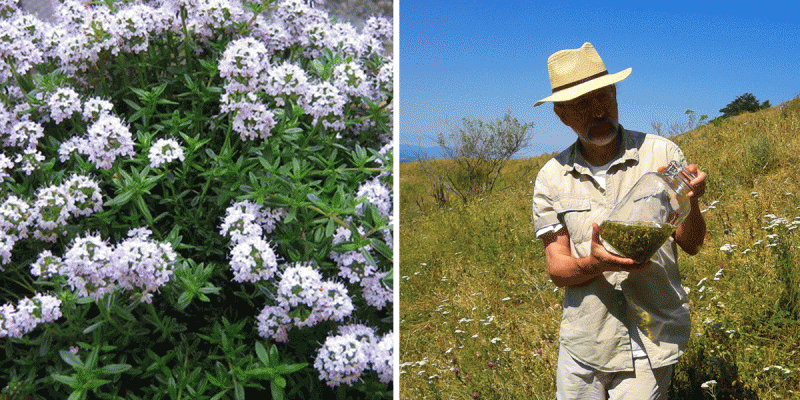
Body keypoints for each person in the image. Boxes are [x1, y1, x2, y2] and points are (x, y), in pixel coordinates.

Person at [531, 42, 707, 400]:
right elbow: (557, 267)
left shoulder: (661, 154)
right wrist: (593, 263)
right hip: (585, 345)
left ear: (615, 94)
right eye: (582, 104)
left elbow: (691, 244)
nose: (597, 110)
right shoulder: (552, 177)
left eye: (605, 96)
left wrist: (691, 204)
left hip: (651, 340)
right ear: (562, 115)